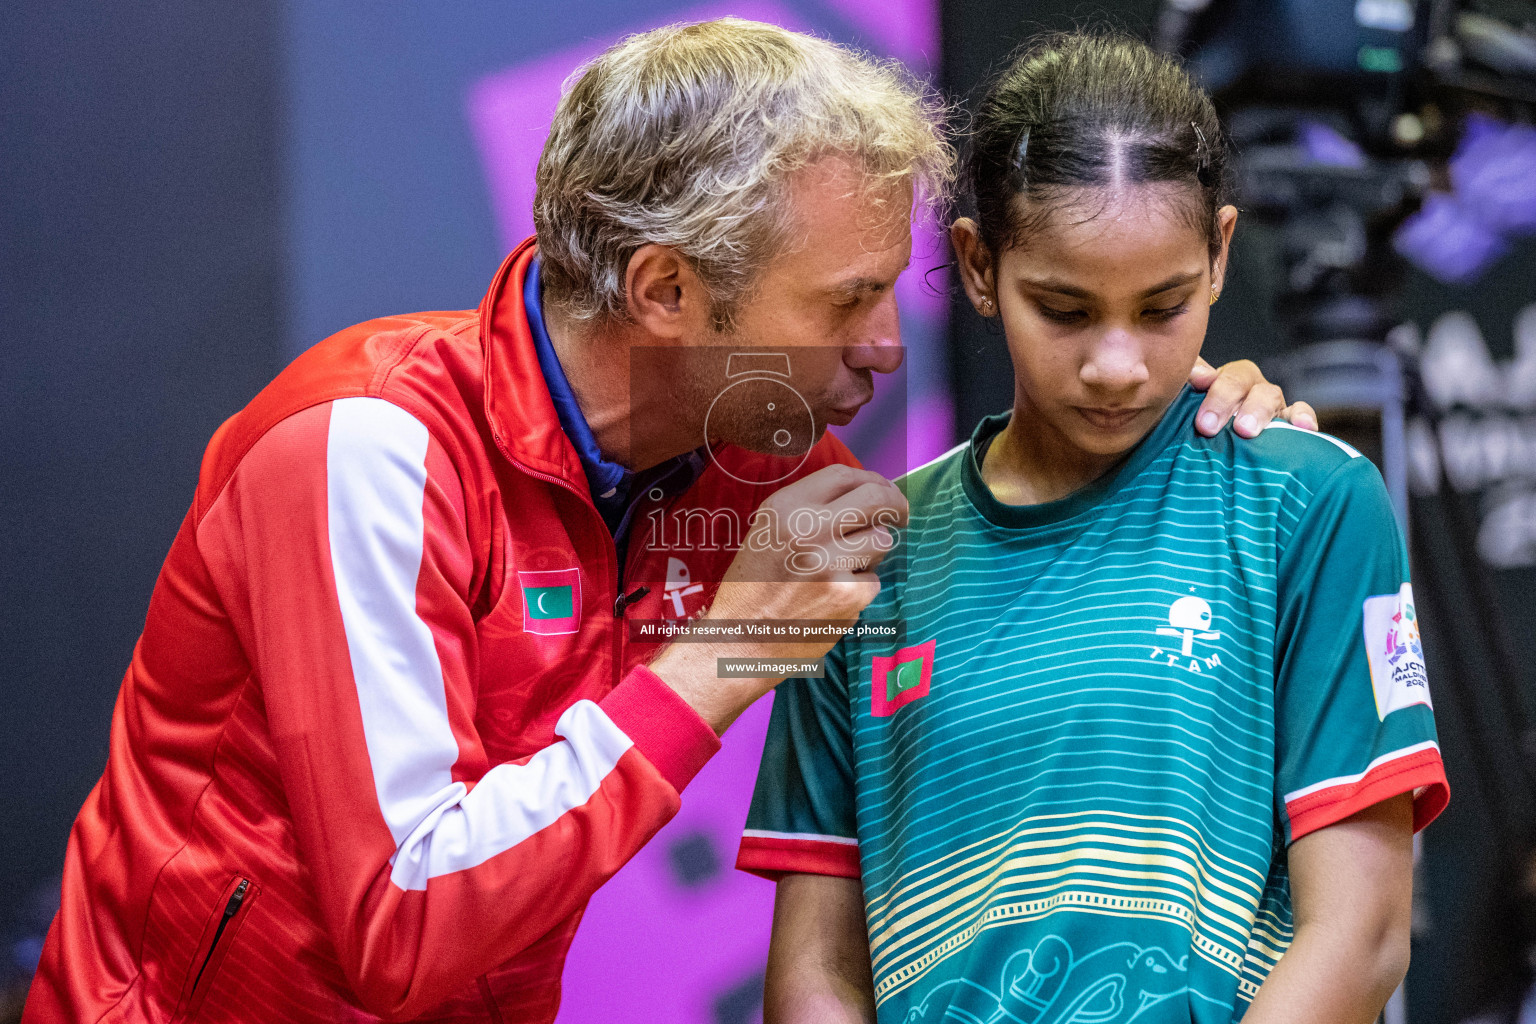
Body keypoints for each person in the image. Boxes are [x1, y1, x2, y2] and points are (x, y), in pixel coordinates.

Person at [22, 20, 1308, 1024]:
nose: (882, 348)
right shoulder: (363, 449)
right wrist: (719, 655)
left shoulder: (748, 441)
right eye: (845, 299)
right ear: (666, 290)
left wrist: (1215, 441)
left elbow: (1020, 542)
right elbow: (402, 924)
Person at [739, 31, 1449, 1024]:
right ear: (980, 266)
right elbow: (816, 974)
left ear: (1219, 257)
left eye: (1159, 308)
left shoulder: (1310, 502)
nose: (1117, 364)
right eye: (1064, 309)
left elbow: (1363, 933)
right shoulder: (862, 558)